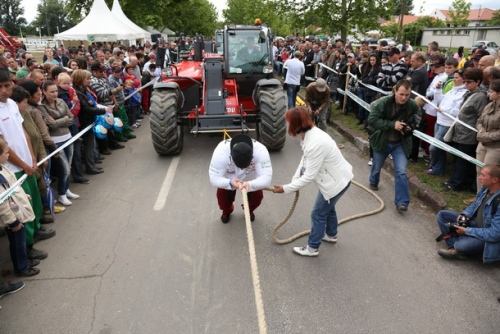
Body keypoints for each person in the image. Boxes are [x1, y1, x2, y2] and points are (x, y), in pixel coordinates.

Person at [272, 107, 353, 257]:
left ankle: (312, 247)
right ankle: (331, 234)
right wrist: (294, 179)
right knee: (328, 208)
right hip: (337, 179)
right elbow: (305, 159)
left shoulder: (315, 142)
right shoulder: (310, 134)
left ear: (296, 124)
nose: (287, 125)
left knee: (317, 214)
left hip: (336, 183)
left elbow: (309, 176)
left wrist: (286, 188)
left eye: (289, 122)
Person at [368, 79, 419, 212]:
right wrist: (392, 125)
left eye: (407, 95)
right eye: (401, 94)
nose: (404, 98)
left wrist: (410, 127)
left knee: (401, 171)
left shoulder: (412, 105)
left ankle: (402, 202)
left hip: (400, 144)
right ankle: (373, 181)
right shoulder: (382, 103)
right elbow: (372, 120)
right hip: (382, 141)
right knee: (377, 166)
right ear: (395, 91)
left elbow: (417, 120)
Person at [436, 164, 500, 262]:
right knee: (442, 215)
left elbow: (494, 234)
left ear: (494, 180)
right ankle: (456, 248)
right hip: (474, 224)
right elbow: (475, 204)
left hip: (485, 237)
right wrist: (465, 214)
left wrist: (467, 231)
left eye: (483, 175)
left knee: (461, 245)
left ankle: (458, 246)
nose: (479, 177)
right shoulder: (486, 188)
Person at [209, 134, 272, 223]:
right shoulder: (221, 152)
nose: (242, 169)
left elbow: (266, 179)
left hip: (250, 180)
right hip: (229, 180)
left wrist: (249, 184)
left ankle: (248, 210)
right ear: (231, 154)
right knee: (222, 200)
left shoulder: (261, 151)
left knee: (257, 198)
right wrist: (230, 183)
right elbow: (214, 179)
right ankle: (227, 211)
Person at [0, 138, 40, 276]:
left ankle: (24, 261)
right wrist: (12, 221)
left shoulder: (3, 167)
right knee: (17, 243)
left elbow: (13, 187)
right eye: (5, 153)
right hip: (12, 216)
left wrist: (23, 197)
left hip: (16, 209)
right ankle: (22, 268)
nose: (8, 155)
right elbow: (3, 204)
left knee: (20, 241)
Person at [38, 80, 79, 206]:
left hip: (67, 137)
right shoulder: (41, 107)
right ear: (44, 92)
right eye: (52, 92)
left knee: (69, 165)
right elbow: (50, 124)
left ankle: (66, 189)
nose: (55, 94)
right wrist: (64, 119)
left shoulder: (61, 101)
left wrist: (59, 120)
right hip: (55, 141)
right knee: (64, 168)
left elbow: (71, 118)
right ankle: (61, 194)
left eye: (56, 91)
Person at [475, 79, 500, 192]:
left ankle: (488, 198)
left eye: (491, 91)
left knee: (489, 176)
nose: (488, 93)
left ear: (499, 93)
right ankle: (478, 197)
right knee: (480, 172)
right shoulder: (489, 105)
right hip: (482, 144)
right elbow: (479, 120)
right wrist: (480, 130)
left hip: (495, 148)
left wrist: (485, 136)